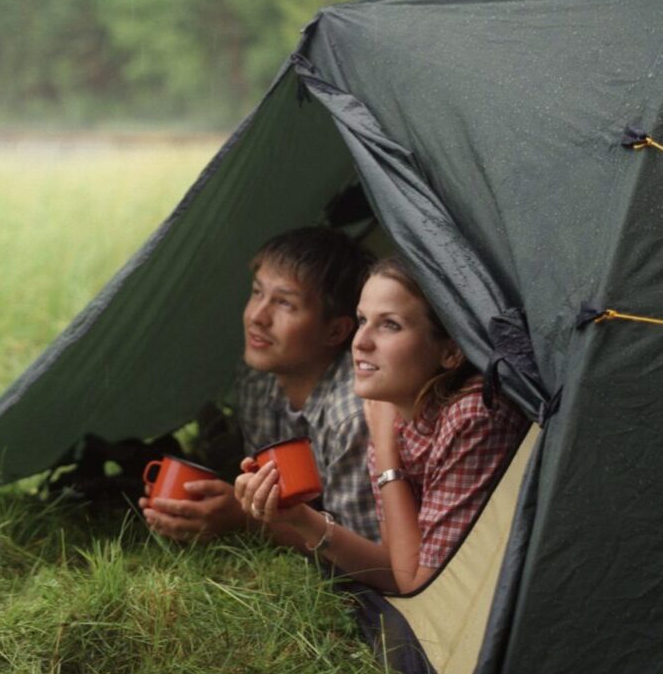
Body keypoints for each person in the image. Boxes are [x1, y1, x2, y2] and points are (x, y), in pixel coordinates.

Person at [235, 256, 529, 593]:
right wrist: (299, 518)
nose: (360, 342)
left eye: (390, 324)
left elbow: (416, 584)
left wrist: (387, 456)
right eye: (363, 320)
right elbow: (392, 567)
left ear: (451, 351)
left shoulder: (474, 417)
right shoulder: (395, 408)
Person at [140, 226, 381, 548]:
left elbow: (364, 549)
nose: (257, 316)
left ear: (336, 331)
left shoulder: (352, 415)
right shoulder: (257, 378)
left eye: (284, 304)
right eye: (257, 292)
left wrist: (246, 521)